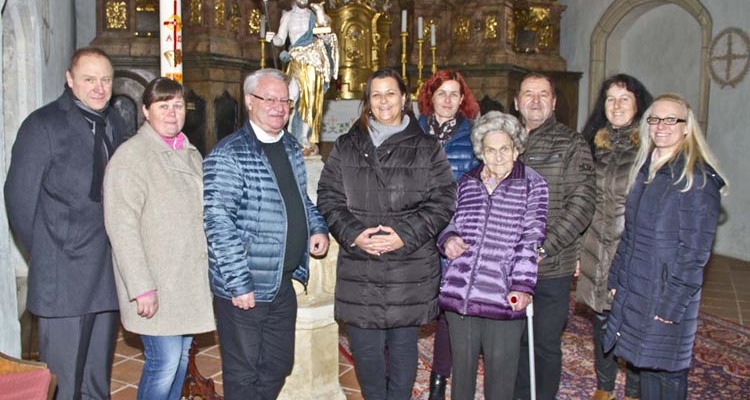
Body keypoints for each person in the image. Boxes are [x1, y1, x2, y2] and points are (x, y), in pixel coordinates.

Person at [317, 68, 456, 400]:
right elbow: (328, 196)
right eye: (376, 94)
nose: (383, 101)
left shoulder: (426, 147)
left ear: (404, 98)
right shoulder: (347, 145)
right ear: (367, 101)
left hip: (409, 265)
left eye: (390, 93)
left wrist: (404, 234)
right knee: (366, 352)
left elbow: (443, 200)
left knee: (402, 347)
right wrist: (354, 234)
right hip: (360, 264)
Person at [4, 47, 127, 400]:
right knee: (64, 384)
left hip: (105, 273)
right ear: (69, 80)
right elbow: (19, 200)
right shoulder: (43, 125)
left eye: (106, 80)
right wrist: (51, 251)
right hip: (63, 276)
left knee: (96, 382)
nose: (99, 88)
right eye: (89, 79)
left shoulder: (115, 122)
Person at [203, 68, 329, 400]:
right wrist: (238, 282)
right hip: (246, 284)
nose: (279, 107)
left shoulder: (290, 145)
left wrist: (316, 227)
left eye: (285, 101)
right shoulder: (229, 153)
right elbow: (217, 222)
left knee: (277, 364)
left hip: (281, 281)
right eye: (269, 99)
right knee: (243, 372)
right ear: (249, 101)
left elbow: (300, 199)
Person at [603, 93, 727, 400]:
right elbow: (631, 233)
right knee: (645, 365)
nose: (661, 126)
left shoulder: (697, 178)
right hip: (638, 286)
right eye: (655, 119)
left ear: (687, 127)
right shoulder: (647, 168)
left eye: (671, 119)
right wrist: (617, 277)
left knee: (668, 373)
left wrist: (671, 305)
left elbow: (695, 254)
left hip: (666, 292)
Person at [103, 77, 215, 400]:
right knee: (164, 362)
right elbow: (121, 227)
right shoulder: (132, 156)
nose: (171, 113)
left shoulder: (190, 153)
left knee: (180, 359)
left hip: (186, 282)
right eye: (163, 106)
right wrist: (141, 287)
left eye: (177, 105)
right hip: (155, 283)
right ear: (145, 111)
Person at [438, 111, 549, 400]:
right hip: (462, 292)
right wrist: (448, 239)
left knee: (501, 375)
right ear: (481, 152)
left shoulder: (532, 184)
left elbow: (532, 238)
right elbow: (449, 222)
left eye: (504, 149)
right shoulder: (467, 182)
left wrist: (522, 286)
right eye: (490, 150)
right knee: (461, 376)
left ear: (516, 149)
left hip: (503, 293)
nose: (498, 157)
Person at [512, 72, 596, 400]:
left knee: (544, 343)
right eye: (528, 94)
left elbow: (582, 203)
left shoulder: (572, 144)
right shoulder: (503, 140)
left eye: (543, 94)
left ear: (554, 102)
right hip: (507, 265)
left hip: (550, 265)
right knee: (513, 341)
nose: (535, 101)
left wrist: (544, 248)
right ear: (516, 102)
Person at [575, 74, 653, 400]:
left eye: (624, 99)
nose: (616, 105)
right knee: (602, 319)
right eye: (610, 99)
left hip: (633, 247)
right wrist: (578, 250)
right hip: (596, 243)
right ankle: (604, 387)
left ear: (638, 104)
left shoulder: (649, 147)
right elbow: (582, 200)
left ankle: (634, 391)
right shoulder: (592, 145)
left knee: (633, 321)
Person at [416, 69, 480, 400]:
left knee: (448, 309)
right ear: (430, 96)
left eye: (454, 94)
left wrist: (456, 231)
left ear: (462, 99)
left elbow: (477, 189)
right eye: (441, 93)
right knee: (408, 304)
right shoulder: (411, 130)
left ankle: (439, 380)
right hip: (416, 231)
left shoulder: (474, 136)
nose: (447, 100)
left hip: (455, 231)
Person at [272, 0, 339, 150]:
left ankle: (304, 136)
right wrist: (273, 38)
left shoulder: (315, 15)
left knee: (309, 100)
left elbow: (326, 35)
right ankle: (288, 132)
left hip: (313, 62)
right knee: (291, 96)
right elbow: (280, 39)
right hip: (295, 59)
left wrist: (320, 14)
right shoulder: (288, 16)